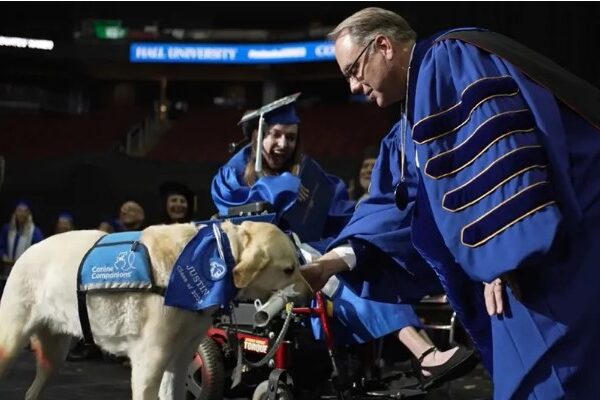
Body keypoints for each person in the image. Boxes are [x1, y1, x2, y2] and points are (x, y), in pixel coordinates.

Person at [301, 7, 600, 398]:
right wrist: (332, 263)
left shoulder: (451, 59)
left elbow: (500, 150)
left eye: (353, 71)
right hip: (516, 268)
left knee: (551, 385)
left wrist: (503, 253)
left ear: (384, 46)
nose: (353, 87)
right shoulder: (411, 125)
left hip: (550, 258)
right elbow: (400, 209)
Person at [211, 97, 470, 388]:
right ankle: (423, 353)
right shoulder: (232, 174)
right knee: (342, 274)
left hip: (312, 250)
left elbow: (337, 209)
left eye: (291, 137)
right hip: (272, 262)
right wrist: (282, 188)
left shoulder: (307, 172)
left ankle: (421, 354)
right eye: (275, 135)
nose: (283, 144)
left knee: (362, 258)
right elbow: (237, 216)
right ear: (258, 136)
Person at [0, 201, 44, 275]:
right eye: (19, 210)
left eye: (25, 211)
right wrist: (4, 257)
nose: (22, 214)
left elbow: (39, 252)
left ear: (29, 213)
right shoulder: (7, 229)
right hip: (7, 268)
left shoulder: (35, 232)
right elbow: (1, 246)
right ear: (15, 213)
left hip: (25, 270)